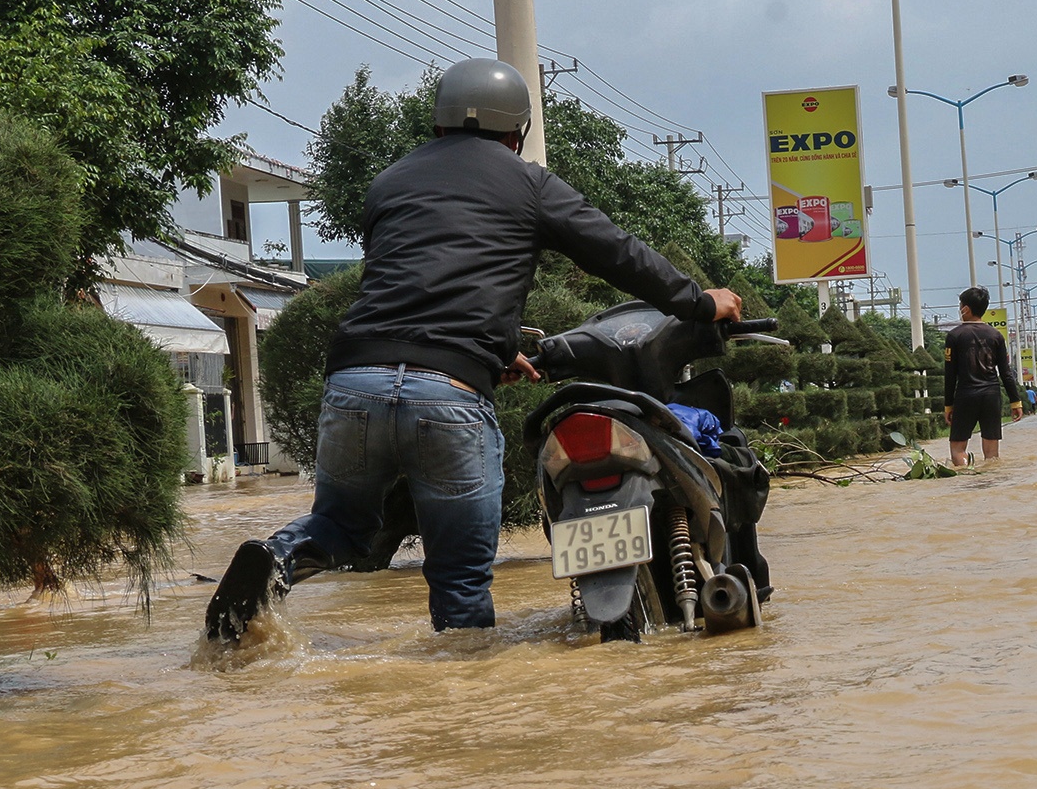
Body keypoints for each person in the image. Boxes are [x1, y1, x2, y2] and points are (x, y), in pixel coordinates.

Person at [205, 57, 743, 641]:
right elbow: (618, 253)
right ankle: (460, 690)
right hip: (450, 397)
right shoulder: (530, 183)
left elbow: (424, 277)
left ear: (438, 122)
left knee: (340, 527)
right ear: (517, 131)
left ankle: (277, 557)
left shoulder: (389, 182)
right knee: (460, 576)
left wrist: (496, 349)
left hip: (355, 381)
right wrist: (698, 302)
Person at [943, 286, 1023, 467]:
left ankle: (966, 474)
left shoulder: (954, 336)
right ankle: (990, 480)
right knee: (991, 452)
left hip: (966, 394)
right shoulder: (996, 335)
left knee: (957, 448)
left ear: (966, 309)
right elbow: (1006, 372)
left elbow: (950, 374)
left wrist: (948, 405)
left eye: (960, 305)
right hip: (991, 395)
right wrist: (1015, 402)